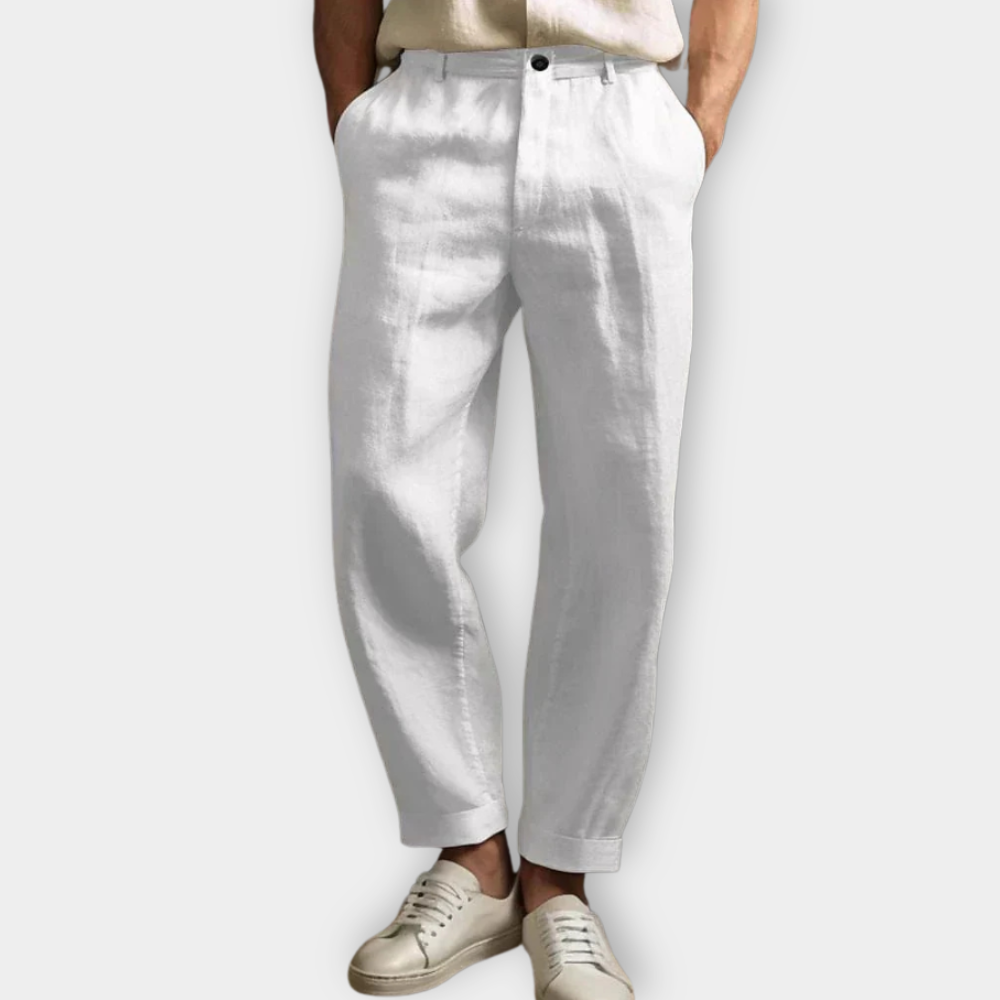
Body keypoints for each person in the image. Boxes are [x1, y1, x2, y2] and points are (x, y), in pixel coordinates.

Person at [314, 0, 757, 995]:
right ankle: (471, 851)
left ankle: (561, 876)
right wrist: (354, 124)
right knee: (382, 481)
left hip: (616, 115)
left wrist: (700, 126)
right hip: (427, 116)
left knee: (621, 509)